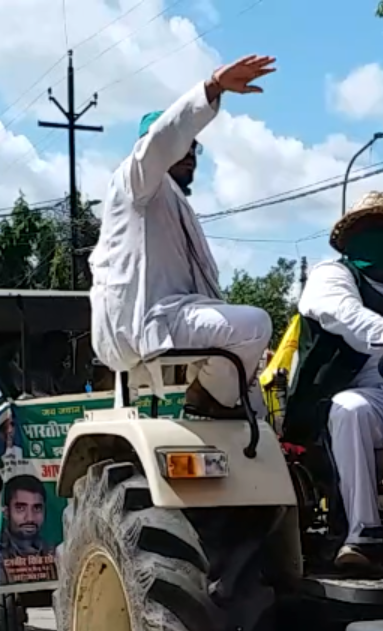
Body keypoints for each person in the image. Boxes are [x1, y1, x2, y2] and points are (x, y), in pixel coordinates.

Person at [89, 54, 278, 420]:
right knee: (254, 324)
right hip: (150, 321)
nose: (190, 154)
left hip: (176, 316)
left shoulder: (176, 203)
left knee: (256, 401)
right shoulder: (136, 180)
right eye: (183, 146)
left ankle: (223, 406)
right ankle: (205, 399)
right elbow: (161, 140)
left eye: (195, 148)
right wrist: (213, 87)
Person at [292, 190, 383, 569]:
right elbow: (346, 317)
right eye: (375, 227)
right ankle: (362, 534)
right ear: (353, 236)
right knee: (351, 411)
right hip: (358, 395)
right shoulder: (331, 276)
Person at [0, 473, 50, 558]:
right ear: (6, 512)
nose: (30, 518)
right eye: (21, 508)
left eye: (37, 508)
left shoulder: (55, 553)